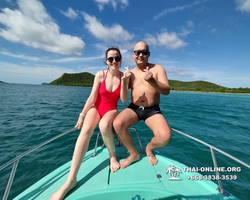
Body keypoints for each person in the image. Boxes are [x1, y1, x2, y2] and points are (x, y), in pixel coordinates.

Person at [50, 47, 131, 200]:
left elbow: (124, 99)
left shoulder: (124, 76)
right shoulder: (100, 75)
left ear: (121, 60)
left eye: (117, 58)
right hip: (96, 107)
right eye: (110, 59)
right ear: (106, 61)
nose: (114, 61)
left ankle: (112, 156)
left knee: (104, 126)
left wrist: (126, 80)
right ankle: (71, 180)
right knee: (85, 130)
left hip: (111, 109)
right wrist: (81, 115)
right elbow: (92, 96)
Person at [113, 41, 171, 168]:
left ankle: (149, 148)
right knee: (117, 124)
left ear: (148, 54)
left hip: (152, 110)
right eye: (137, 52)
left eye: (143, 52)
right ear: (133, 54)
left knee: (165, 137)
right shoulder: (130, 73)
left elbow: (166, 91)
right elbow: (123, 99)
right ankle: (134, 154)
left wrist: (152, 80)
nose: (140, 55)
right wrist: (124, 80)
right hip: (134, 108)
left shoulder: (158, 68)